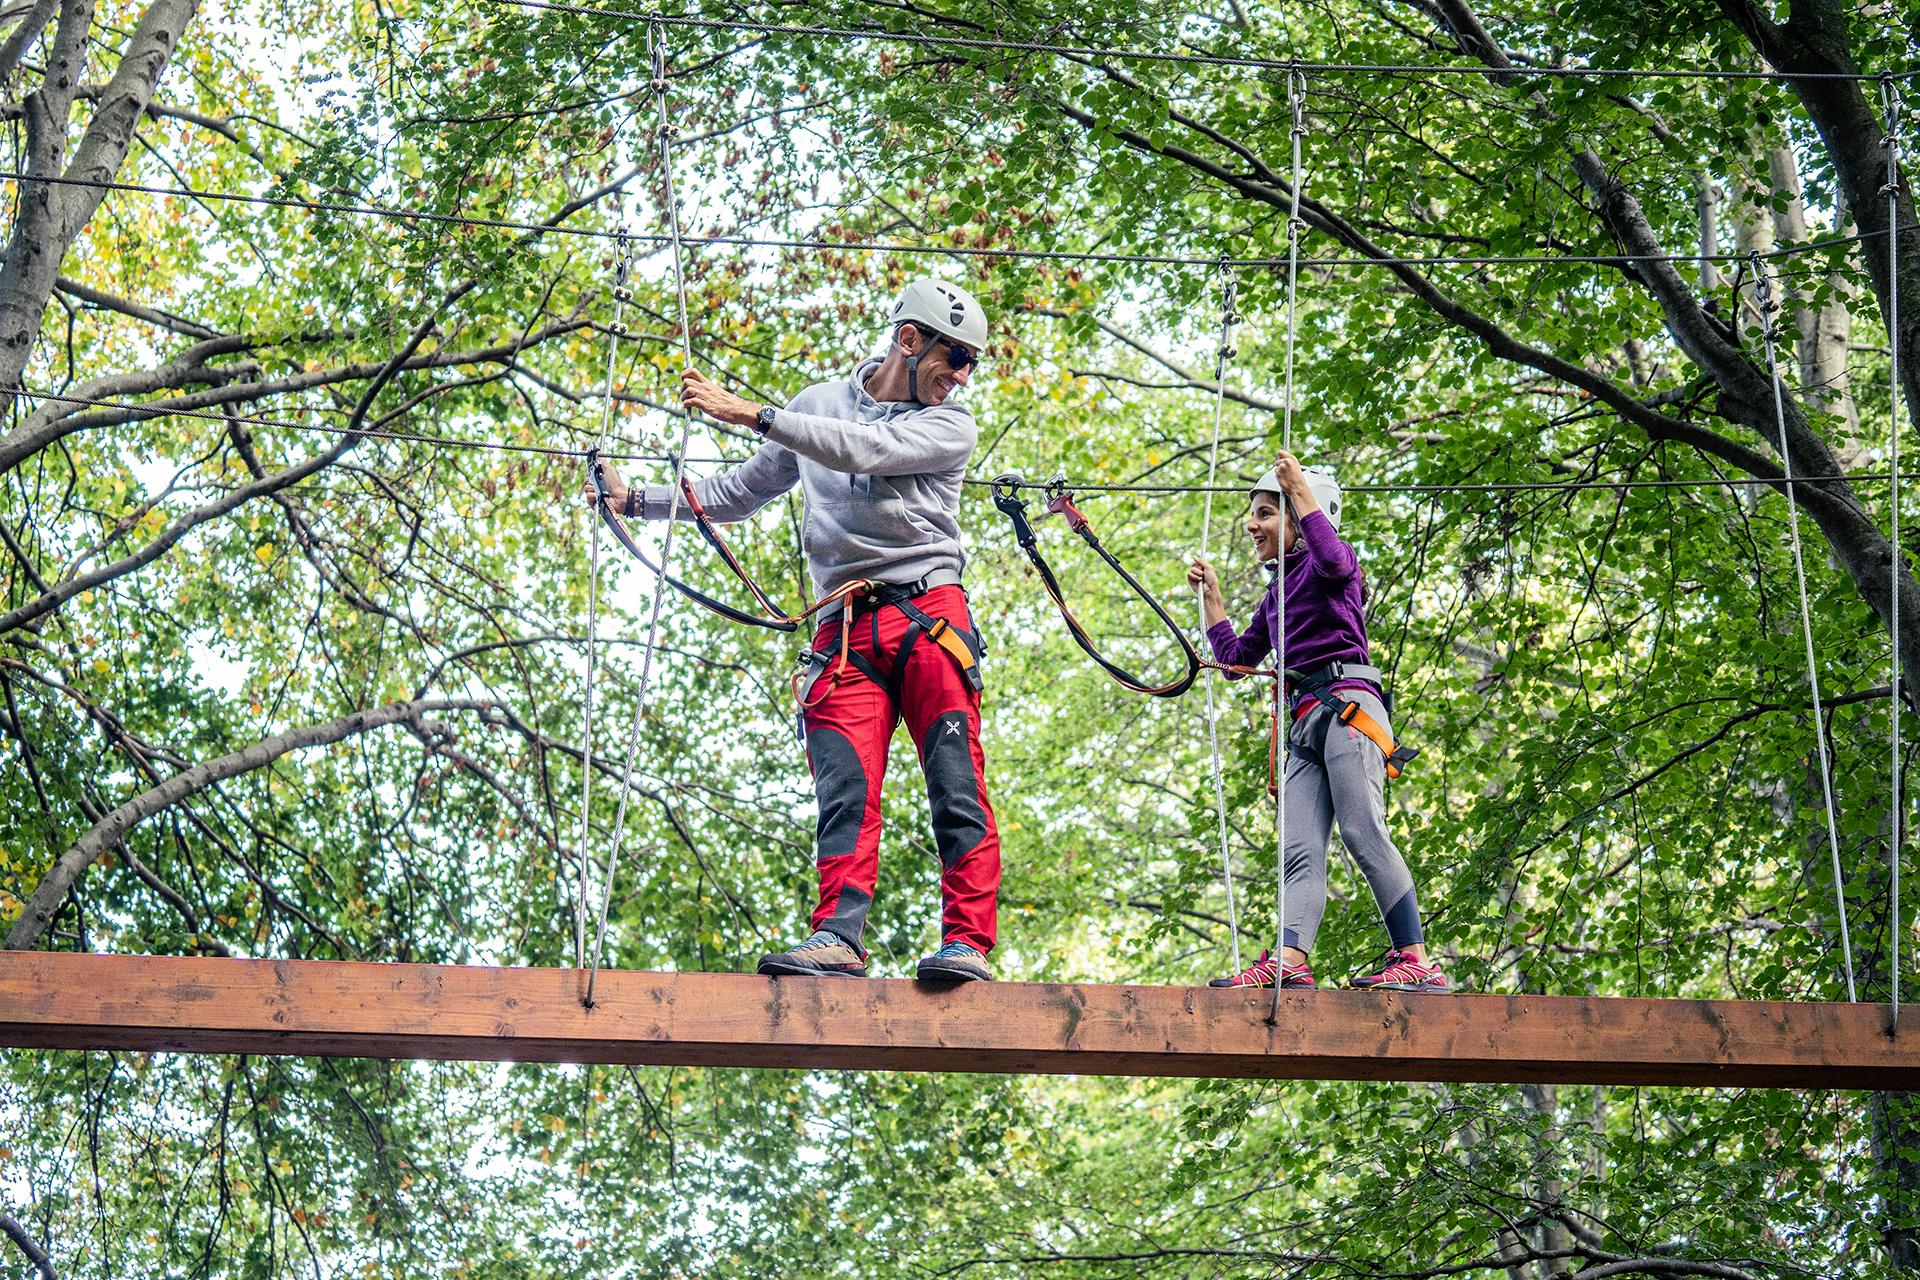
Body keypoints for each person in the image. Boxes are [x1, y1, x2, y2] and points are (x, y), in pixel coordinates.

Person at [589, 279, 1002, 982]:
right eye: (955, 356)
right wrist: (639, 500)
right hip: (843, 633)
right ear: (910, 340)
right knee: (844, 792)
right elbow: (737, 493)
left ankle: (967, 943)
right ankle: (837, 937)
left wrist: (752, 412)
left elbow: (862, 450)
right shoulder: (815, 407)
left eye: (971, 363)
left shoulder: (948, 424)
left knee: (955, 783)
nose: (961, 375)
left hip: (930, 619)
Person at [1187, 450, 1448, 993]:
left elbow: (1331, 559)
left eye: (1265, 513)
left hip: (1347, 704)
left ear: (1301, 522)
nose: (1252, 525)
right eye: (1252, 514)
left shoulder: (1333, 563)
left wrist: (1299, 490)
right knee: (1298, 850)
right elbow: (1237, 662)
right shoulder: (1275, 593)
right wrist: (1211, 601)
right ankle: (1289, 960)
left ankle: (1417, 959)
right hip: (1305, 723)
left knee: (1360, 828)